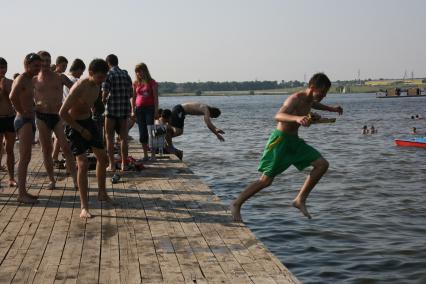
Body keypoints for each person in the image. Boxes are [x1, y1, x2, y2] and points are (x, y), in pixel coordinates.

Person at [231, 73, 343, 222]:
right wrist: (297, 118)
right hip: (280, 141)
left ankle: (300, 199)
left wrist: (331, 109)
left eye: (325, 93)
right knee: (265, 181)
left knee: (322, 164)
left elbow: (313, 104)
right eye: (321, 92)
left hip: (294, 142)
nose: (323, 95)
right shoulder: (295, 98)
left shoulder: (310, 99)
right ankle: (236, 204)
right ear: (312, 87)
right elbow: (278, 115)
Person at [59, 58, 114, 218]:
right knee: (82, 164)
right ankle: (84, 207)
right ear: (90, 73)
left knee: (103, 158)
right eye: (99, 77)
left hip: (88, 122)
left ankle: (102, 193)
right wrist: (80, 130)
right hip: (74, 125)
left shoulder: (97, 85)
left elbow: (94, 104)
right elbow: (62, 113)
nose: (102, 80)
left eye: (104, 77)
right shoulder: (78, 87)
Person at [33, 51, 77, 189]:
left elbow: (75, 89)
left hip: (57, 116)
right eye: (42, 61)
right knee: (46, 150)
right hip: (41, 117)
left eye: (47, 60)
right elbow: (22, 95)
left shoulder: (60, 77)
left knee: (66, 147)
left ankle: (76, 180)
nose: (45, 63)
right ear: (38, 62)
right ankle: (52, 180)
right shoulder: (34, 79)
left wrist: (73, 106)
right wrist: (29, 108)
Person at [9, 53, 42, 203]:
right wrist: (22, 111)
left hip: (29, 119)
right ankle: (21, 194)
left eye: (39, 65)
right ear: (27, 65)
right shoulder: (22, 78)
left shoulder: (30, 79)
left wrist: (34, 107)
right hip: (23, 120)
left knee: (27, 157)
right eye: (36, 65)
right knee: (24, 157)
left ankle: (23, 191)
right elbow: (12, 96)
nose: (38, 68)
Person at [101, 54, 133, 173]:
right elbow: (131, 94)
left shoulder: (108, 74)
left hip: (111, 110)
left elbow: (105, 92)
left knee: (109, 138)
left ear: (108, 63)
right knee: (123, 138)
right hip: (124, 110)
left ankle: (112, 165)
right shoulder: (126, 74)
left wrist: (102, 102)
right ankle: (124, 164)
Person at [52, 58, 86, 165]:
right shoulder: (74, 81)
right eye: (81, 71)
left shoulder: (63, 77)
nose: (81, 74)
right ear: (78, 69)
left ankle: (54, 156)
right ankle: (69, 159)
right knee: (68, 136)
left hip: (61, 110)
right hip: (70, 111)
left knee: (60, 135)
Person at [132, 63, 159, 161]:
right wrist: (132, 110)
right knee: (142, 132)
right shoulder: (135, 83)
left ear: (145, 71)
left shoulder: (152, 82)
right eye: (137, 72)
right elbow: (134, 97)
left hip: (150, 109)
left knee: (151, 131)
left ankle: (153, 155)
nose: (139, 73)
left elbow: (156, 97)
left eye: (141, 71)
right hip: (139, 109)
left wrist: (156, 111)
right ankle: (145, 155)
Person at [0, 57, 17, 186]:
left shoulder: (11, 82)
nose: (3, 70)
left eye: (4, 67)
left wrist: (7, 91)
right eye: (0, 67)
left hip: (10, 118)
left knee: (10, 149)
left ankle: (11, 178)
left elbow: (15, 100)